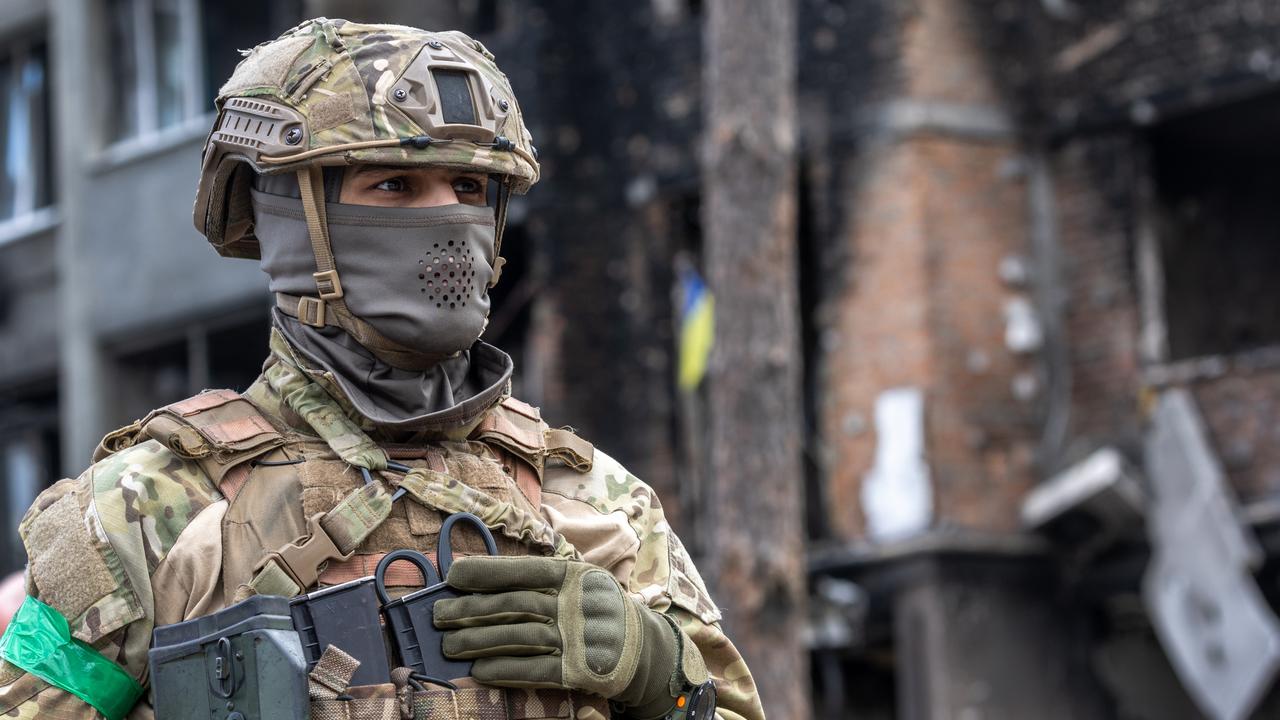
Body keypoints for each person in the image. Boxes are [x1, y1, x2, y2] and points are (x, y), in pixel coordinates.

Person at [0, 17, 764, 720]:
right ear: (295, 223)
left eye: (469, 188)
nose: (447, 223)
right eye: (393, 185)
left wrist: (658, 672)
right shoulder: (143, 508)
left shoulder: (596, 501)